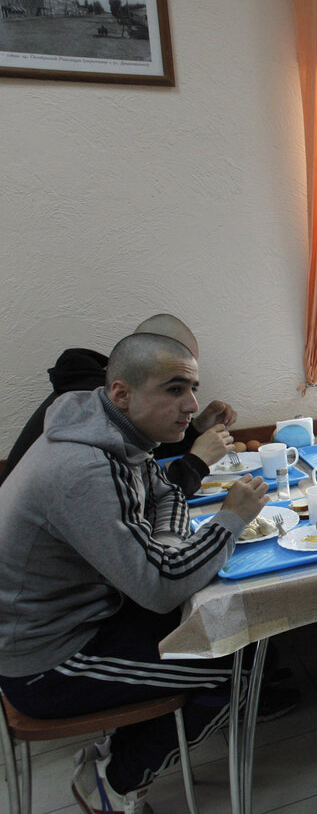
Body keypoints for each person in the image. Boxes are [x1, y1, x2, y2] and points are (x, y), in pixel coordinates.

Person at [0, 333, 270, 814]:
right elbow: (161, 588)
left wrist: (166, 548)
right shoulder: (83, 466)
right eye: (173, 389)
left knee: (232, 633)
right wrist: (229, 519)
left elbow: (165, 494)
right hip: (46, 660)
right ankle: (114, 784)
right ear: (122, 393)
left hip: (88, 619)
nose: (191, 405)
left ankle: (111, 759)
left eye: (192, 387)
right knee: (231, 665)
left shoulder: (115, 432)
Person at [0, 314, 238, 494]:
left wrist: (195, 429)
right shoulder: (88, 411)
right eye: (175, 387)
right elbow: (141, 498)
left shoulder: (105, 396)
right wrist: (197, 462)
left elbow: (146, 462)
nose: (192, 404)